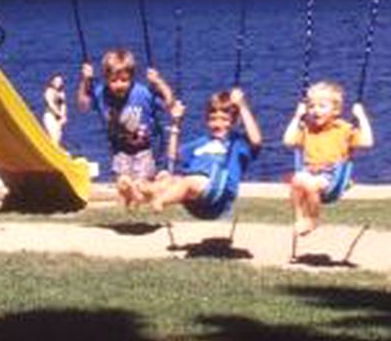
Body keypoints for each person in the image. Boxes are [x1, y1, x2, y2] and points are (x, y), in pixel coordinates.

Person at [78, 48, 175, 209]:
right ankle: (129, 206)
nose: (119, 85)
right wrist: (85, 81)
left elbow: (169, 104)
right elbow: (82, 105)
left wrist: (158, 82)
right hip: (119, 149)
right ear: (106, 79)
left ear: (132, 78)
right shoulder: (102, 93)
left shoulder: (142, 93)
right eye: (114, 81)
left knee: (140, 186)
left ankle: (148, 194)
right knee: (123, 186)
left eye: (124, 80)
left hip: (144, 148)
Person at [146, 88, 262, 219]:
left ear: (234, 121)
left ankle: (160, 201)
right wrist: (176, 123)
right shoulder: (202, 143)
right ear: (207, 120)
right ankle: (139, 192)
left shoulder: (237, 143)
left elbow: (256, 140)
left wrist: (242, 106)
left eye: (225, 119)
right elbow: (174, 156)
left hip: (217, 194)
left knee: (187, 182)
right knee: (167, 179)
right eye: (213, 119)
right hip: (195, 199)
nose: (218, 124)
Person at [282, 80, 374, 236]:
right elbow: (288, 141)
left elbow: (367, 142)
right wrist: (297, 117)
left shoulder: (344, 129)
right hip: (309, 171)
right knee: (296, 180)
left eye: (322, 106)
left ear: (336, 110)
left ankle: (313, 219)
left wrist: (361, 117)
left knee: (311, 184)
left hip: (332, 176)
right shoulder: (307, 128)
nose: (315, 111)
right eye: (311, 106)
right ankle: (300, 218)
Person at [41, 73, 68, 145]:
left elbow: (63, 105)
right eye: (56, 81)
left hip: (57, 117)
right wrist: (59, 114)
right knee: (53, 135)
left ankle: (55, 151)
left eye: (60, 82)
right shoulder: (49, 91)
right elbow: (50, 104)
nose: (58, 83)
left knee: (58, 135)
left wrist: (63, 115)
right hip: (50, 115)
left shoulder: (61, 93)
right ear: (52, 82)